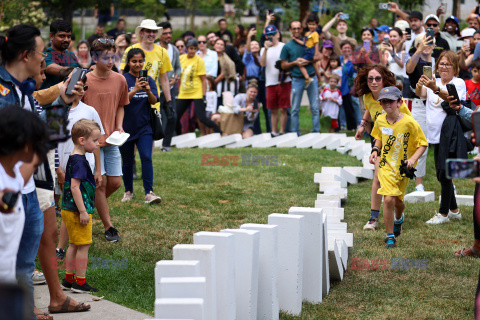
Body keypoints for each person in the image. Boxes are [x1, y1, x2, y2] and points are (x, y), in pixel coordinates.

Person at [354, 65, 413, 231]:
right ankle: (373, 218)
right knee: (378, 177)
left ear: (384, 80)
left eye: (377, 78)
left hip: (398, 142)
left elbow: (409, 122)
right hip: (379, 139)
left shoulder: (394, 99)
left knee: (395, 180)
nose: (374, 82)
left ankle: (397, 212)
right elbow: (369, 110)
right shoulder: (367, 97)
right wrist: (362, 125)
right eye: (370, 79)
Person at [82, 38, 130, 242]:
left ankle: (86, 207)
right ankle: (109, 227)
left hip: (112, 140)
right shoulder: (84, 79)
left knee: (116, 183)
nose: (111, 61)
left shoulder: (120, 79)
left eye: (114, 57)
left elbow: (121, 105)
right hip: (91, 143)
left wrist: (119, 125)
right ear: (94, 58)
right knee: (99, 184)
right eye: (106, 57)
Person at [369, 86, 427, 248]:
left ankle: (399, 218)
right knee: (388, 199)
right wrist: (375, 149)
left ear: (399, 102)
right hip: (386, 165)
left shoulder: (409, 122)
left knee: (398, 201)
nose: (387, 104)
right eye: (383, 101)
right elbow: (378, 136)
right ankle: (390, 236)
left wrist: (413, 159)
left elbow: (422, 144)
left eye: (390, 101)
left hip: (402, 168)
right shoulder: (380, 119)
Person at [416, 50, 466, 225]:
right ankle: (454, 210)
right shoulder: (433, 81)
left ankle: (443, 213)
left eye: (448, 64)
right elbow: (420, 94)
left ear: (455, 68)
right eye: (442, 64)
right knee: (441, 174)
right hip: (434, 135)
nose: (444, 67)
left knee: (444, 173)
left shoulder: (458, 82)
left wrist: (434, 88)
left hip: (450, 134)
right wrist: (421, 83)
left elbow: (454, 101)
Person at [60, 119, 101, 293]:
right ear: (82, 141)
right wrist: (83, 211)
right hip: (78, 211)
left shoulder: (74, 157)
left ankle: (68, 280)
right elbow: (75, 187)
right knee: (83, 246)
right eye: (95, 140)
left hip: (68, 208)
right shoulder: (79, 161)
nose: (98, 144)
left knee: (73, 244)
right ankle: (80, 282)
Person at [120, 48, 162, 203]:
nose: (138, 64)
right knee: (128, 161)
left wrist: (148, 91)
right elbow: (121, 101)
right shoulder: (123, 79)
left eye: (140, 61)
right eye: (134, 61)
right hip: (126, 127)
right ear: (129, 62)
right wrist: (135, 90)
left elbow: (154, 101)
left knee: (146, 157)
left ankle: (149, 192)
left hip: (145, 127)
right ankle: (128, 191)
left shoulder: (149, 80)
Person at [120, 19, 173, 134]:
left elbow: (164, 79)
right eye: (148, 31)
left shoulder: (163, 52)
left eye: (154, 32)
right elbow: (121, 75)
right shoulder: (131, 50)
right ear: (141, 33)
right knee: (131, 133)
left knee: (151, 132)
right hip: (132, 97)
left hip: (151, 97)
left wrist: (169, 101)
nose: (151, 34)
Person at [406, 34, 435, 191]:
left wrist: (429, 54)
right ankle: (411, 180)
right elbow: (408, 69)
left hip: (433, 105)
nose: (428, 44)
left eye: (431, 42)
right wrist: (420, 49)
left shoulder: (435, 60)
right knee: (414, 142)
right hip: (416, 105)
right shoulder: (414, 58)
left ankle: (419, 183)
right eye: (425, 42)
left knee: (425, 144)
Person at [281, 20, 320, 134]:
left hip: (312, 77)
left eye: (298, 28)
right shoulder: (287, 46)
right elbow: (283, 65)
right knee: (295, 109)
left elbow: (318, 57)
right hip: (297, 79)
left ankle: (315, 132)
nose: (297, 30)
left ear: (301, 29)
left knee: (315, 108)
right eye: (294, 28)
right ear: (290, 30)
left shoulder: (308, 40)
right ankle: (295, 132)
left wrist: (307, 60)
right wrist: (295, 63)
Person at [176, 38, 222, 135]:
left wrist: (204, 95)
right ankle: (178, 135)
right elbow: (178, 75)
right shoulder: (181, 58)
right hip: (184, 93)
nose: (192, 51)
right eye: (190, 48)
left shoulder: (199, 60)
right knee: (176, 116)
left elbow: (203, 80)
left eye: (194, 49)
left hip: (197, 92)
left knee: (202, 117)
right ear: (186, 48)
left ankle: (219, 131)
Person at [260, 24, 290, 135]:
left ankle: (282, 131)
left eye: (273, 34)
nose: (271, 37)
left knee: (283, 108)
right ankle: (274, 131)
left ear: (277, 34)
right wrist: (266, 50)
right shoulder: (264, 49)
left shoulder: (284, 46)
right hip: (270, 82)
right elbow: (262, 64)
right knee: (272, 109)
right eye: (268, 35)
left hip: (283, 81)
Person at [158, 21, 181, 152]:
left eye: (170, 33)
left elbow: (178, 68)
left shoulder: (175, 50)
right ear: (159, 35)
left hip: (169, 89)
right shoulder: (154, 48)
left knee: (172, 116)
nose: (168, 35)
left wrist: (175, 78)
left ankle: (166, 145)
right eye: (165, 33)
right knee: (154, 117)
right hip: (155, 89)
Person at [41, 19, 79, 90]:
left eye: (69, 36)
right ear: (51, 36)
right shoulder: (45, 55)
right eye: (62, 36)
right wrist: (79, 72)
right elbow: (49, 67)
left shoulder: (71, 55)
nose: (66, 40)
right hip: (49, 100)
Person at [293, 13, 320, 88]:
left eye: (314, 24)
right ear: (308, 24)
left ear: (317, 25)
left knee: (300, 62)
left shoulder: (315, 34)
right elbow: (303, 43)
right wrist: (295, 39)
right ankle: (320, 80)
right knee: (314, 65)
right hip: (307, 50)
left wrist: (316, 54)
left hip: (311, 52)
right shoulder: (307, 33)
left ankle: (307, 78)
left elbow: (316, 44)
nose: (312, 26)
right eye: (310, 24)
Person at [338, 40, 356, 130]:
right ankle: (341, 125)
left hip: (348, 86)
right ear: (341, 49)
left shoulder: (354, 59)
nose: (347, 49)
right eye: (345, 48)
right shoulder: (339, 59)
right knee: (339, 107)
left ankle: (352, 125)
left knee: (350, 106)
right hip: (339, 85)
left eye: (349, 48)